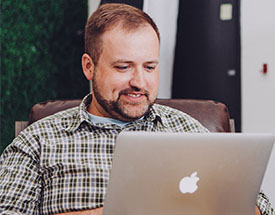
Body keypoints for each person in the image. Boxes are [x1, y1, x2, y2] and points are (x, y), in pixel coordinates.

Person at [0, 3, 273, 215]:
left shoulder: (189, 129)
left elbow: (261, 206)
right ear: (89, 66)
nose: (139, 82)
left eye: (149, 67)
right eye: (123, 67)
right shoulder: (38, 141)